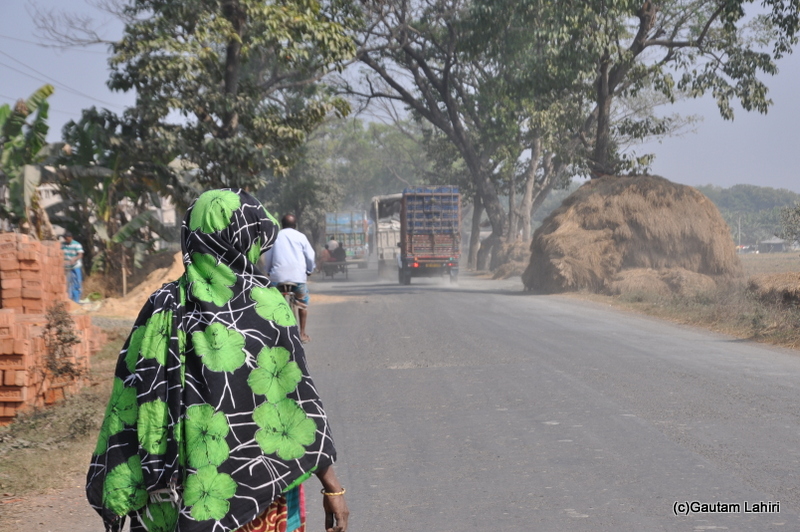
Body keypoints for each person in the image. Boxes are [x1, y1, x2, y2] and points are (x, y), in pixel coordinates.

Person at [86, 189, 348, 532]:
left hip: (172, 503)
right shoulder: (269, 308)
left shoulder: (162, 306)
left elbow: (128, 401)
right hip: (262, 501)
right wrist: (333, 487)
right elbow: (297, 406)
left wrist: (118, 484)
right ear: (244, 240)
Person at [262, 214, 315, 343]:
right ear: (295, 225)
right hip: (298, 278)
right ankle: (302, 334)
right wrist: (310, 270)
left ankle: (274, 334)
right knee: (302, 304)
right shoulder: (301, 237)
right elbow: (310, 256)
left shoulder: (275, 237)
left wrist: (269, 271)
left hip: (278, 278)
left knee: (273, 302)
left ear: (282, 224)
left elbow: (267, 257)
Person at [61, 231, 84, 303]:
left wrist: (74, 259)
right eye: (64, 238)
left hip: (75, 266)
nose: (65, 240)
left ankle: (76, 300)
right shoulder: (62, 245)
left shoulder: (77, 245)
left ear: (71, 238)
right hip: (67, 267)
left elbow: (80, 255)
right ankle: (69, 300)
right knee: (68, 283)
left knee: (76, 283)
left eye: (67, 238)